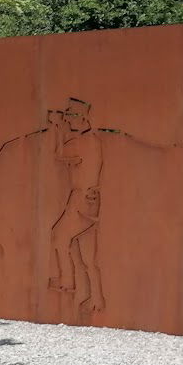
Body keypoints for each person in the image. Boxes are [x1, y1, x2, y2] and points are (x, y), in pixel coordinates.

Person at [47, 99, 105, 313]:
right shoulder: (93, 140)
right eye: (67, 115)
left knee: (58, 236)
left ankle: (67, 281)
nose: (67, 119)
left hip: (81, 199)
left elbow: (59, 155)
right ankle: (96, 298)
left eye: (71, 115)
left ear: (83, 118)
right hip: (91, 200)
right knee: (87, 256)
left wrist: (56, 128)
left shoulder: (82, 142)